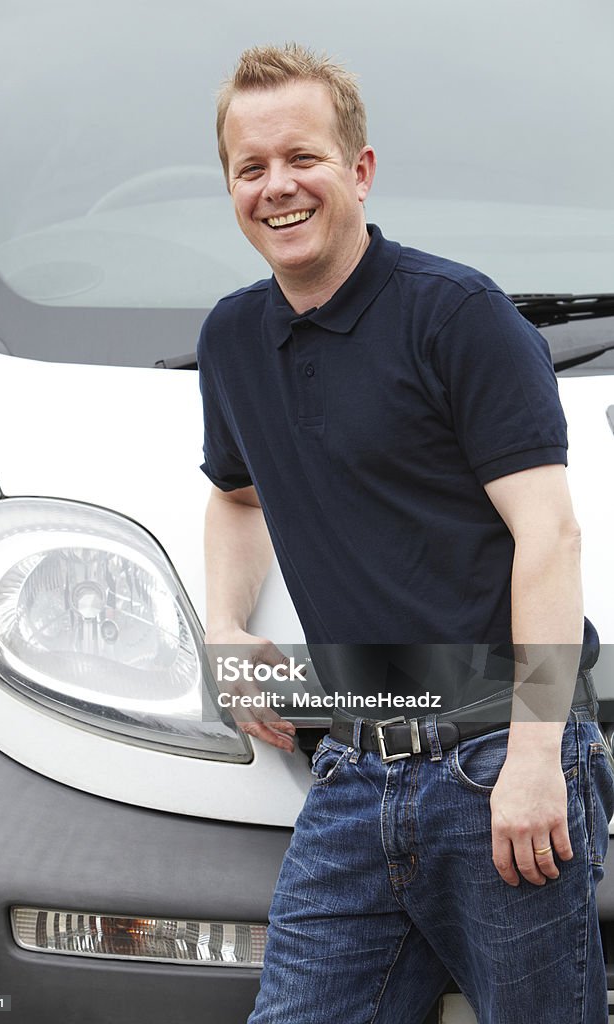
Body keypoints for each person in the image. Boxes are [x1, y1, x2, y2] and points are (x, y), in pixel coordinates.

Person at [197, 43, 614, 1024]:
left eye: (299, 157)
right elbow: (236, 494)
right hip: (349, 770)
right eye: (249, 168)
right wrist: (222, 624)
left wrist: (530, 755)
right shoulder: (230, 339)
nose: (276, 186)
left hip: (492, 760)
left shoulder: (454, 315)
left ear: (358, 170)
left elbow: (546, 536)